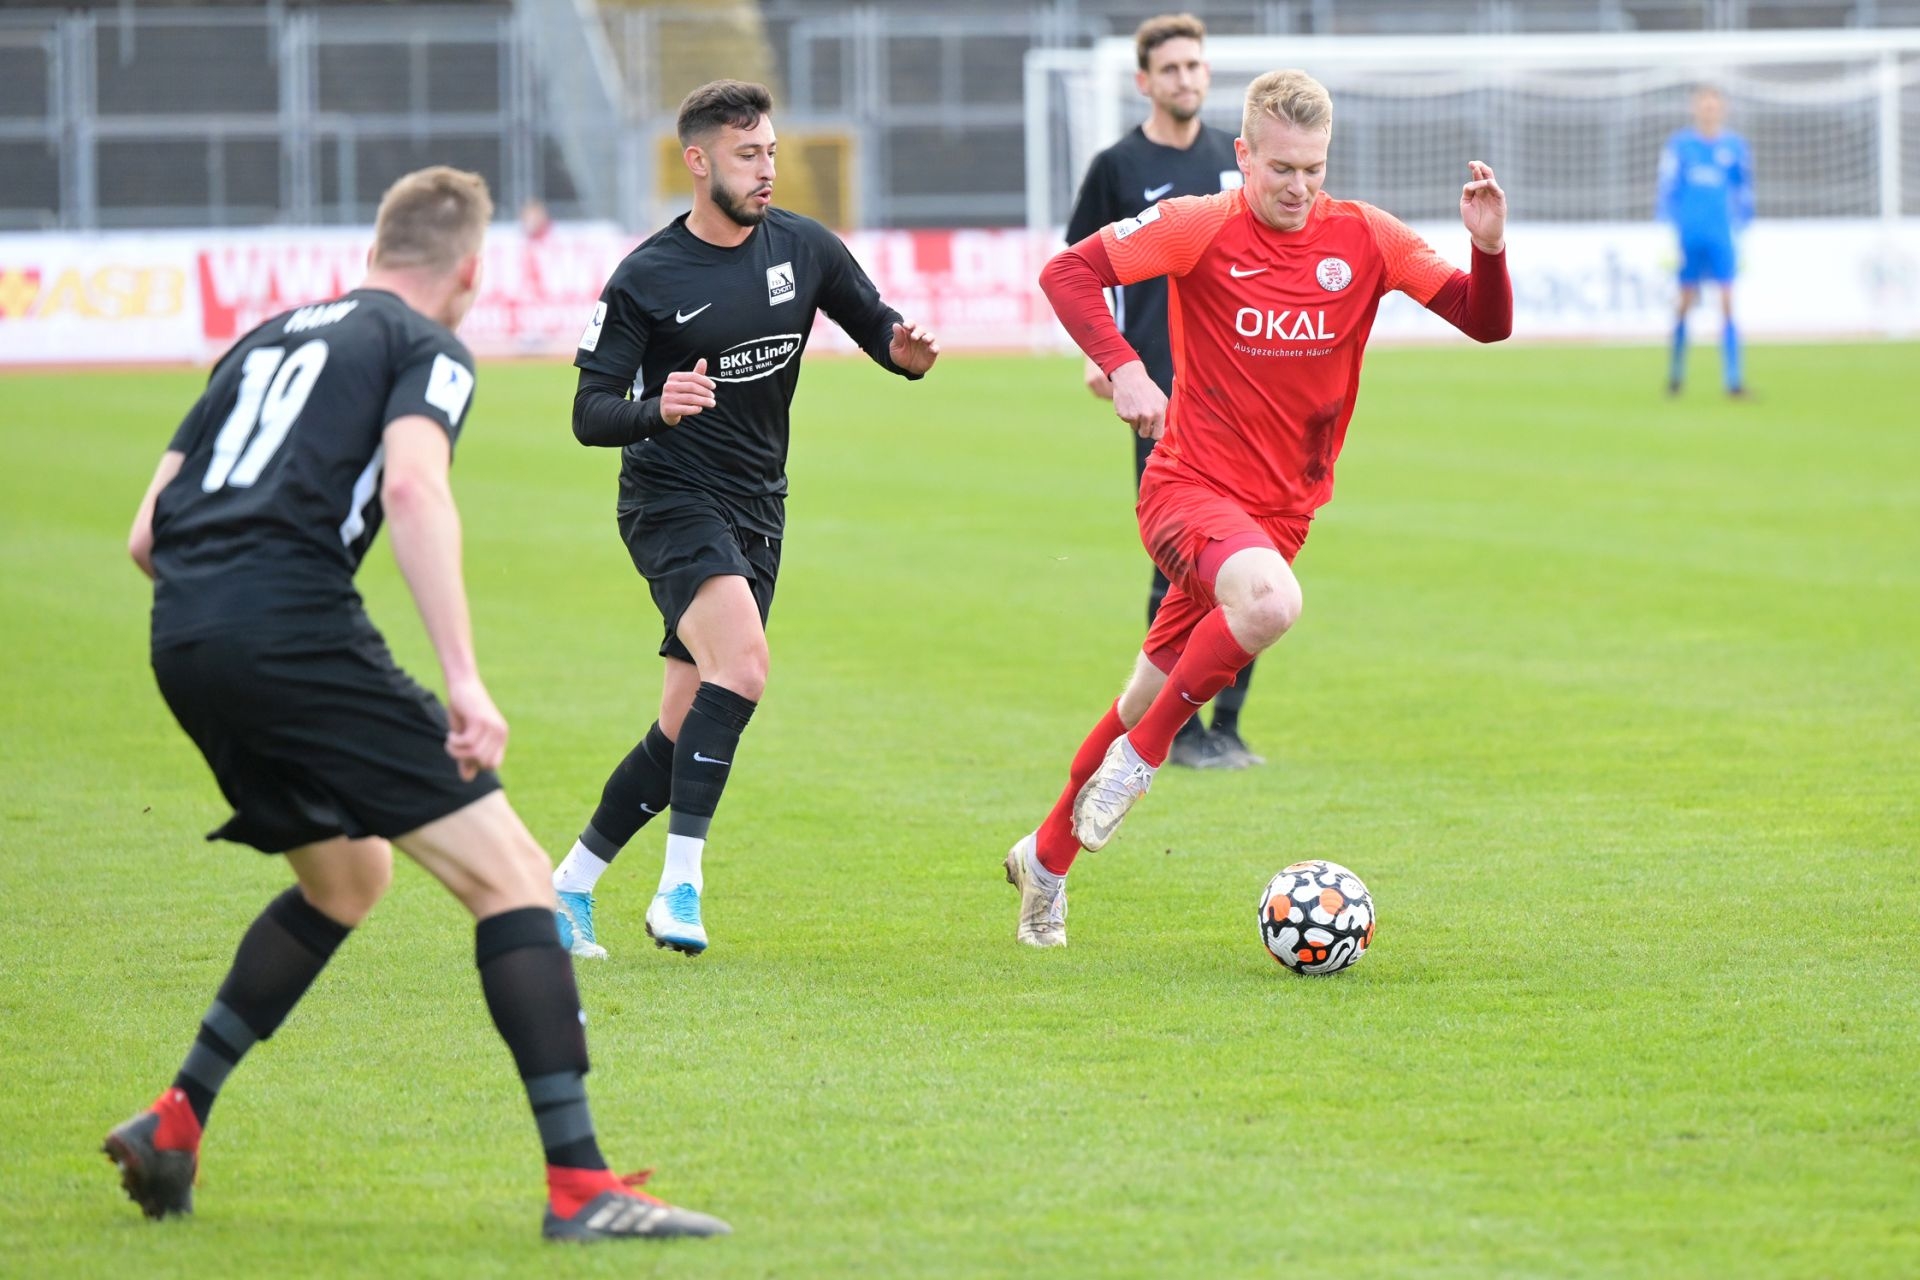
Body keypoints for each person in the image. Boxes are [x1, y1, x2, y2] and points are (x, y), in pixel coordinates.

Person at [107, 166, 727, 1242]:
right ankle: (581, 1187)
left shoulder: (262, 340)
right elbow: (411, 486)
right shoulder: (423, 346)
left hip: (186, 638)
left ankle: (175, 1119)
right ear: (471, 271)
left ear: (376, 249)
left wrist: (232, 619)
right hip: (293, 633)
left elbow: (146, 536)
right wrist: (464, 678)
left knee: (349, 876)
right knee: (515, 879)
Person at [1006, 70, 1512, 947]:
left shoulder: (1367, 237)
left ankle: (1044, 862)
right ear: (1244, 156)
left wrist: (1489, 251)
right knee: (1271, 605)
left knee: (1142, 694)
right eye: (1281, 168)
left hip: (1280, 517)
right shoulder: (1200, 224)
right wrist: (1125, 368)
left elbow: (1484, 320)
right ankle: (1144, 762)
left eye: (1314, 168)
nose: (1298, 186)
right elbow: (1068, 272)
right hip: (1186, 488)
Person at [552, 80, 938, 960]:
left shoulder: (804, 246)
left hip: (760, 506)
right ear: (697, 162)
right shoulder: (647, 276)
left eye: (770, 152)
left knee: (685, 722)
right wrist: (656, 407)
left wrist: (905, 355)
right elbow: (588, 411)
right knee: (746, 668)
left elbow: (878, 326)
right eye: (746, 155)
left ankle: (568, 884)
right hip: (669, 498)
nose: (766, 169)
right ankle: (679, 887)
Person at [1064, 12, 1259, 772]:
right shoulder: (1117, 166)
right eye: (1171, 68)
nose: (1186, 78)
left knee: (1254, 550)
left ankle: (1228, 724)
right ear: (1145, 81)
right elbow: (1078, 268)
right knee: (1183, 563)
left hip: (1244, 390)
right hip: (1162, 394)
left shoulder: (1237, 158)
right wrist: (1107, 360)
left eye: (1195, 65)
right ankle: (1178, 728)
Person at [1658, 86, 1753, 397]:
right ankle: (1675, 376)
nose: (1709, 111)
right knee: (1684, 303)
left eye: (1713, 106)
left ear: (1721, 110)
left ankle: (1733, 381)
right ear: (1695, 109)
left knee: (1727, 302)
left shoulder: (1734, 147)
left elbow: (1743, 192)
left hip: (1721, 235)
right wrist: (1668, 234)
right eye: (1704, 106)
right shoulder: (1680, 146)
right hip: (1689, 235)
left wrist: (1744, 231)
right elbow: (1668, 191)